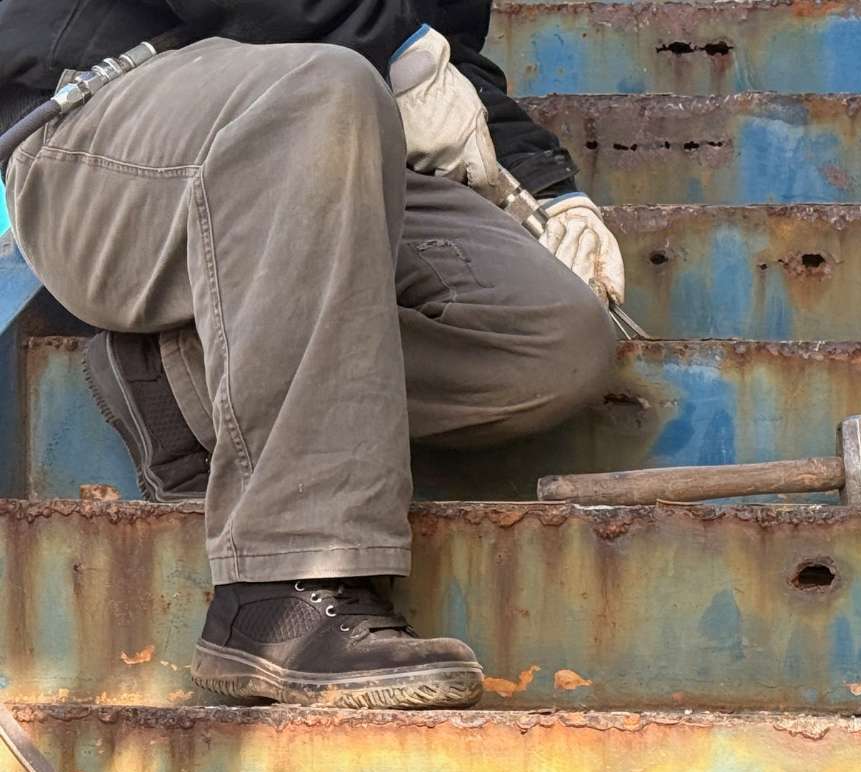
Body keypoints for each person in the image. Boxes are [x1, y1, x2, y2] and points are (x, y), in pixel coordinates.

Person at [0, 2, 624, 709]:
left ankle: (175, 383)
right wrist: (394, 50)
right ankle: (281, 595)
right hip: (102, 130)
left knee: (553, 338)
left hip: (337, 136)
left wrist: (550, 188)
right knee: (328, 86)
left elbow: (439, 49)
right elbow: (374, 43)